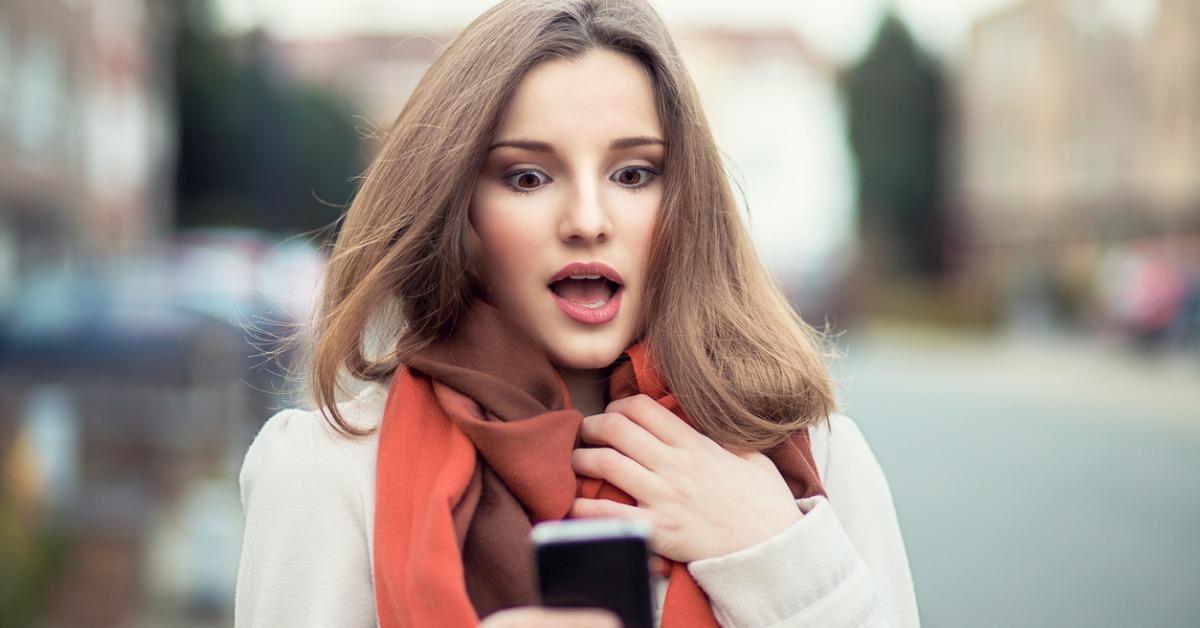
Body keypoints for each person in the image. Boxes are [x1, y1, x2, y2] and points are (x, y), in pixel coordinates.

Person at [234, 1, 920, 626]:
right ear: (460, 213)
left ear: (684, 203)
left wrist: (773, 552)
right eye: (528, 177)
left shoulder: (817, 460)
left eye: (633, 174)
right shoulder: (331, 472)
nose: (588, 221)